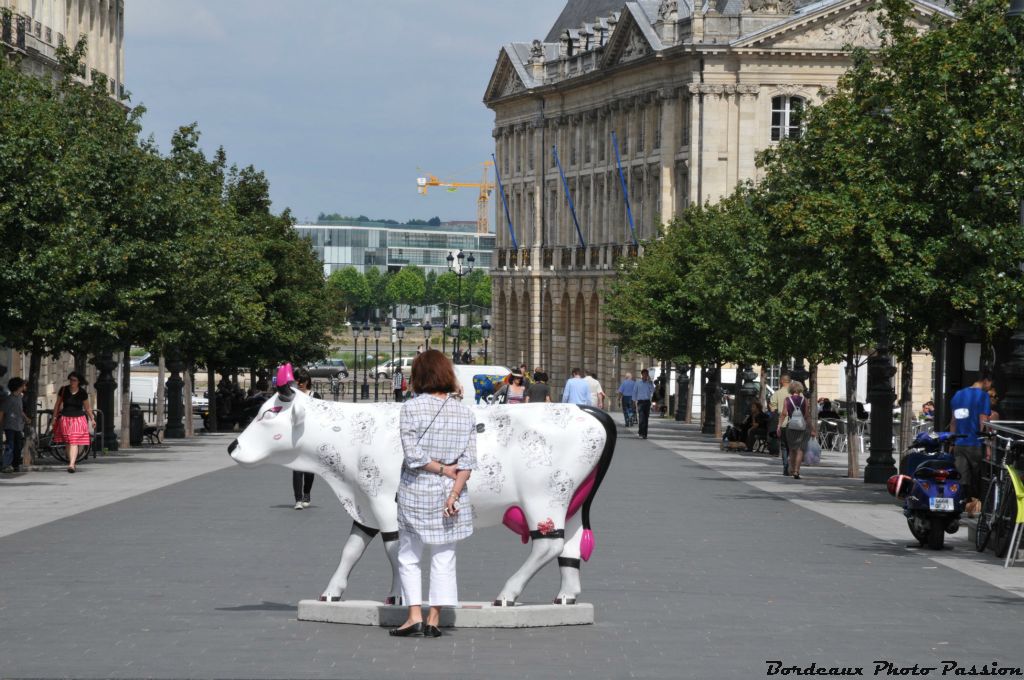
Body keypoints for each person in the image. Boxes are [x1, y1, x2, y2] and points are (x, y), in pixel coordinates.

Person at [391, 350, 476, 638]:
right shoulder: (465, 412)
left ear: (419, 376)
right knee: (444, 555)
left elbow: (413, 456)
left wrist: (440, 469)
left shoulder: (411, 408)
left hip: (417, 489)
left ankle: (413, 614)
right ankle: (434, 619)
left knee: (409, 554)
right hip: (450, 495)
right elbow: (468, 462)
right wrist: (453, 491)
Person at [949, 372, 993, 503]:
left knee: (962, 478)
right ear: (986, 381)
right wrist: (988, 445)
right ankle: (978, 504)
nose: (990, 388)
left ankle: (963, 503)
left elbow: (953, 421)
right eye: (990, 385)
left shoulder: (958, 395)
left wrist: (952, 443)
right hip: (975, 443)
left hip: (959, 443)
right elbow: (983, 420)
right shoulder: (983, 396)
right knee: (978, 477)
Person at [289, 368, 320, 509]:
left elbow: (322, 415)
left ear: (308, 381)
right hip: (295, 436)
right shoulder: (292, 396)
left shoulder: (315, 396)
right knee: (297, 468)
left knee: (309, 469)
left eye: (302, 381)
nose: (300, 383)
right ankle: (298, 499)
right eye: (297, 381)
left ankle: (307, 493)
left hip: (311, 436)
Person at [52, 372, 95, 473]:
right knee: (68, 442)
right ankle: (72, 462)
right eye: (70, 380)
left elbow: (87, 407)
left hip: (78, 419)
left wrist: (92, 419)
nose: (72, 382)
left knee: (74, 441)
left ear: (79, 382)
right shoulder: (64, 390)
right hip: (65, 419)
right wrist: (54, 417)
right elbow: (57, 404)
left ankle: (71, 464)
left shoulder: (82, 392)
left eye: (74, 380)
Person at [778, 380, 816, 480]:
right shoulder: (805, 400)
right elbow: (807, 416)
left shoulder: (787, 400)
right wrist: (812, 429)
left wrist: (779, 426)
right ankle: (796, 471)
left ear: (791, 389)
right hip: (802, 427)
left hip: (791, 426)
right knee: (800, 450)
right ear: (800, 389)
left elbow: (783, 414)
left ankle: (791, 468)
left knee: (792, 449)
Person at [1, 377, 27, 473]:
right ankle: (6, 465)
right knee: (10, 446)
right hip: (10, 426)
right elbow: (2, 412)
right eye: (22, 385)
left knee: (18, 446)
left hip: (18, 426)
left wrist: (26, 418)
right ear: (18, 387)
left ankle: (15, 465)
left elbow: (20, 411)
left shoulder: (19, 397)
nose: (24, 386)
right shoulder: (9, 399)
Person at [634, 369, 656, 440]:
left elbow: (653, 390)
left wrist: (650, 382)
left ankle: (645, 434)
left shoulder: (649, 383)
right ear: (642, 375)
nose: (645, 375)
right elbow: (634, 392)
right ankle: (640, 431)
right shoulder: (638, 383)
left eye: (647, 374)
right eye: (644, 374)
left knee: (646, 418)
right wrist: (633, 402)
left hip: (647, 402)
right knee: (641, 418)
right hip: (640, 402)